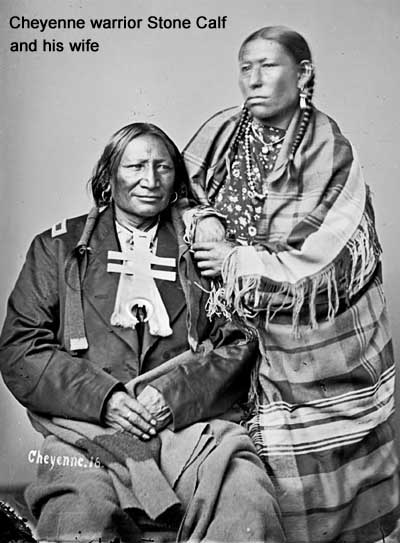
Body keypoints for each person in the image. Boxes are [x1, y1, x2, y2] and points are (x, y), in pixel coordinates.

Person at [0, 123, 286, 543]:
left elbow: (239, 341)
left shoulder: (207, 250)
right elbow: (20, 347)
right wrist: (105, 398)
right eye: (135, 166)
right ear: (108, 175)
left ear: (176, 179)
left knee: (246, 498)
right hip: (86, 436)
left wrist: (172, 396)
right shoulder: (57, 248)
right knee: (77, 513)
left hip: (194, 431)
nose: (150, 181)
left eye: (162, 168)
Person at [182, 26, 400, 543]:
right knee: (247, 474)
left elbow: (326, 252)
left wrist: (235, 260)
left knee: (332, 476)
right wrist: (205, 220)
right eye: (244, 67)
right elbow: (183, 190)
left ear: (303, 74)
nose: (252, 81)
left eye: (268, 66)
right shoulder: (220, 133)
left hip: (320, 340)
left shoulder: (329, 149)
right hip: (238, 333)